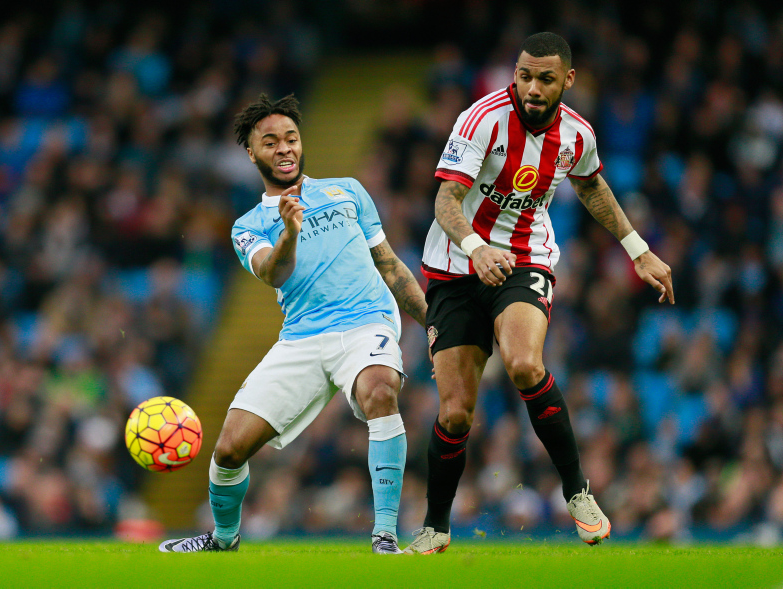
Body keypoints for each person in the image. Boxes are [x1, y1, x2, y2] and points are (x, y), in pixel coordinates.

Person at [405, 32, 674, 553]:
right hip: (455, 267)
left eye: (545, 79)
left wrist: (638, 249)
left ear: (567, 80)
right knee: (455, 413)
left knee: (525, 364)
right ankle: (436, 525)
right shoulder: (480, 120)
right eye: (524, 75)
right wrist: (476, 248)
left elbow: (590, 185)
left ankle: (577, 492)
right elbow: (446, 199)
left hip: (524, 259)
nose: (532, 87)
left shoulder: (577, 133)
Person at [159, 94, 427, 554]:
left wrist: (432, 324)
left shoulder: (348, 190)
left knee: (381, 388)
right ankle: (223, 538)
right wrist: (289, 234)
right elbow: (273, 273)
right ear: (252, 152)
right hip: (302, 338)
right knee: (229, 450)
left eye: (291, 138)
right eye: (271, 142)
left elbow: (389, 264)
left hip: (366, 322)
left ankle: (385, 533)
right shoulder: (247, 225)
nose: (284, 148)